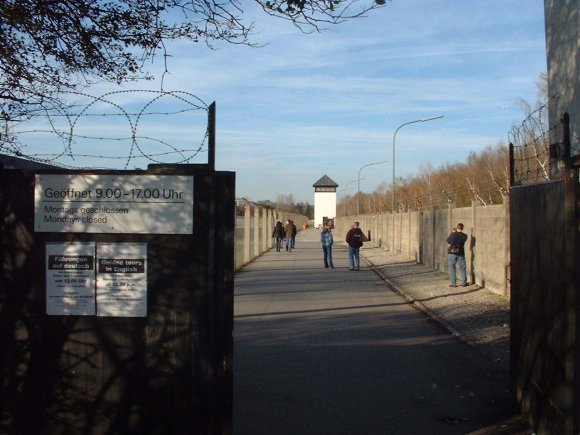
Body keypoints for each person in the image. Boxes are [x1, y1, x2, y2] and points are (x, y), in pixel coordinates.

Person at [447, 222, 469, 287]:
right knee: (462, 268)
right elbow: (462, 240)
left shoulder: (453, 234)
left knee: (452, 268)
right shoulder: (465, 236)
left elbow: (448, 241)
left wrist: (454, 232)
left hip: (452, 253)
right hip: (461, 253)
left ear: (457, 227)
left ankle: (453, 284)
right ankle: (464, 282)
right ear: (462, 228)